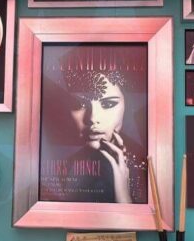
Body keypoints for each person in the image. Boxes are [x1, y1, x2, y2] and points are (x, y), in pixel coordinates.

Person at [40, 53, 147, 204]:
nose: (92, 118)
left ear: (127, 107)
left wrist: (123, 194)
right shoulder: (54, 172)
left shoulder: (147, 171)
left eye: (108, 104)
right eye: (79, 105)